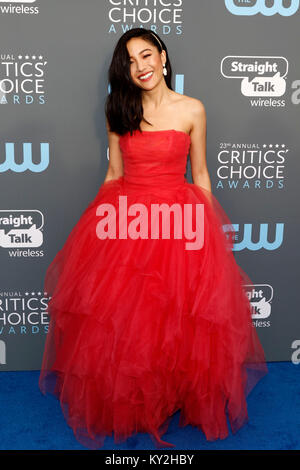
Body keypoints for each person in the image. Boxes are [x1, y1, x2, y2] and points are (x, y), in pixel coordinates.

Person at [39, 28, 268, 450]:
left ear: (162, 56)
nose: (140, 66)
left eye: (146, 55)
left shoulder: (192, 109)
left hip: (179, 221)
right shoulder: (118, 109)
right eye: (130, 60)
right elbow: (113, 174)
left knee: (177, 318)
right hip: (127, 220)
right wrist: (99, 226)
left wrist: (208, 235)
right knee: (130, 320)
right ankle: (136, 399)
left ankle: (174, 395)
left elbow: (199, 176)